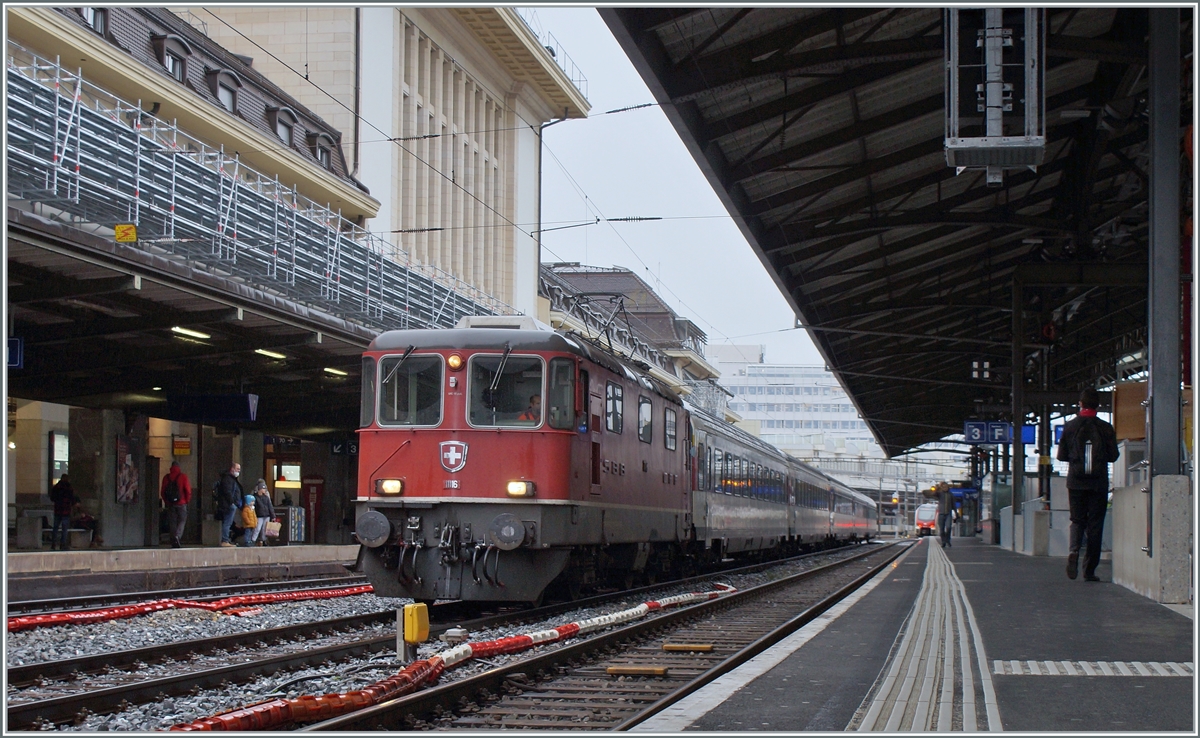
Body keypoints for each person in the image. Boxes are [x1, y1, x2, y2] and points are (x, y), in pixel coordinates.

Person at [1057, 387, 1119, 582]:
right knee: (1095, 525)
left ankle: (1074, 550)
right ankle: (1089, 570)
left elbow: (1061, 456)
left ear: (1080, 404)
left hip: (1075, 482)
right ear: (1098, 406)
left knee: (1077, 520)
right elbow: (1113, 456)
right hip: (1098, 483)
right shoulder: (1105, 427)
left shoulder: (1070, 426)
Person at [160, 462, 192, 548]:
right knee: (182, 520)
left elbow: (162, 491)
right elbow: (188, 491)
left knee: (172, 522)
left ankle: (173, 540)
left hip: (171, 503)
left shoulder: (166, 477)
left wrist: (167, 501)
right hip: (181, 503)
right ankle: (177, 536)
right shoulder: (183, 477)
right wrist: (186, 501)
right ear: (179, 467)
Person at [217, 462, 244, 547]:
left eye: (239, 469)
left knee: (228, 523)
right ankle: (225, 540)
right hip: (228, 504)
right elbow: (227, 491)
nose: (238, 471)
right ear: (232, 469)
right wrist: (232, 502)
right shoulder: (227, 479)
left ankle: (226, 539)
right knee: (227, 523)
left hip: (231, 504)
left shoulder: (231, 479)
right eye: (237, 469)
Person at [49, 474, 78, 550]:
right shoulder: (69, 488)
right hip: (66, 511)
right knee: (64, 529)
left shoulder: (56, 487)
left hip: (58, 510)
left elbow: (52, 498)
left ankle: (53, 544)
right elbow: (72, 498)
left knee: (55, 527)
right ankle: (63, 544)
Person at [249, 479, 276, 546]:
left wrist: (273, 516)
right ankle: (253, 540)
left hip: (266, 515)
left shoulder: (266, 497)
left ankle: (263, 540)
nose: (265, 490)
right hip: (259, 515)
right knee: (257, 528)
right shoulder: (255, 497)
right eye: (263, 488)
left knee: (264, 529)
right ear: (260, 489)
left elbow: (270, 506)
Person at [935, 481, 955, 549]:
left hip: (948, 513)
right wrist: (937, 488)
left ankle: (947, 539)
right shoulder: (940, 494)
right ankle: (943, 541)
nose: (945, 488)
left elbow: (953, 504)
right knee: (942, 529)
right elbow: (934, 494)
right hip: (941, 514)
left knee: (949, 527)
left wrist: (956, 513)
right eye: (943, 487)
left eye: (946, 487)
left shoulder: (950, 494)